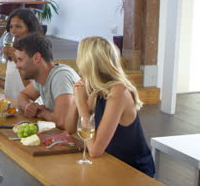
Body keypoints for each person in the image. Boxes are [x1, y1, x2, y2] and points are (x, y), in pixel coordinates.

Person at [64, 36, 155, 177]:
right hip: (110, 163)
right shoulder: (99, 89)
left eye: (80, 60)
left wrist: (82, 107)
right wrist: (77, 100)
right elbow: (69, 129)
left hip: (132, 171)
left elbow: (94, 150)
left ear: (89, 64)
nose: (79, 67)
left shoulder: (119, 91)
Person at [14, 33, 79, 129]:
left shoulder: (61, 76)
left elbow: (63, 122)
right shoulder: (41, 77)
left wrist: (42, 113)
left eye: (20, 60)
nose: (17, 65)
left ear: (37, 58)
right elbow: (23, 96)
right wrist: (27, 106)